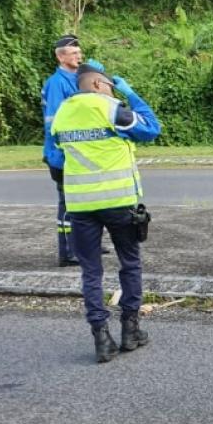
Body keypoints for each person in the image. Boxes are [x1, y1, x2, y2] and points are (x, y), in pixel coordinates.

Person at [51, 63, 162, 364]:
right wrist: (130, 93)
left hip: (80, 205)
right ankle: (130, 329)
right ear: (99, 84)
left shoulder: (62, 113)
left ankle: (101, 337)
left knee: (91, 272)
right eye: (112, 86)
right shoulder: (109, 107)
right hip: (117, 201)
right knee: (129, 263)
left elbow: (58, 153)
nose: (114, 91)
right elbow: (151, 128)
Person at [42, 35, 83, 267]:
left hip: (78, 153)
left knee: (82, 202)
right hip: (63, 154)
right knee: (67, 204)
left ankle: (85, 244)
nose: (78, 56)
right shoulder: (57, 83)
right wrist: (63, 153)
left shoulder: (77, 78)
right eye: (73, 53)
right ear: (60, 56)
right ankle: (67, 251)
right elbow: (54, 123)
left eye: (79, 52)